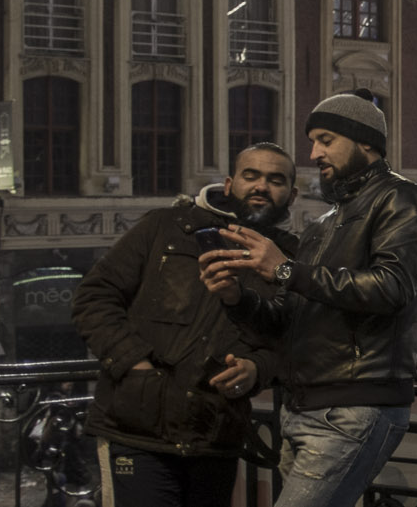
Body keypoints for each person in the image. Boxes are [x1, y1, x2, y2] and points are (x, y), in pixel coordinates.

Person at [199, 89, 417, 507]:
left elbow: (393, 288)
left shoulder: (400, 199)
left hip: (353, 407)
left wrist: (285, 269)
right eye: (313, 141)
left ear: (366, 142)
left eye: (326, 140)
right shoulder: (326, 222)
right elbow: (288, 320)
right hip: (304, 408)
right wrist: (236, 298)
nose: (313, 153)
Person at [72, 144, 300, 506]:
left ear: (292, 193)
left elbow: (290, 343)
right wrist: (135, 365)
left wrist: (256, 370)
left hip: (216, 435)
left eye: (276, 180)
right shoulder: (165, 226)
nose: (261, 186)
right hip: (139, 430)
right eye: (251, 175)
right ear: (229, 184)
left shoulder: (289, 261)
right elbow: (94, 297)